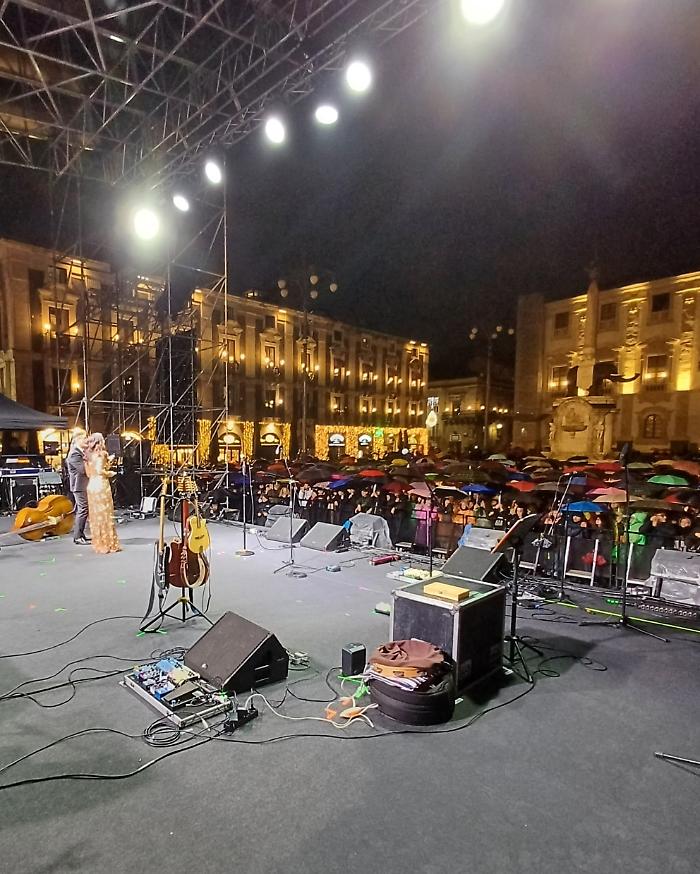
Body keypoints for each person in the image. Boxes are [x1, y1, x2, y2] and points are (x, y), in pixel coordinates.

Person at [83, 432, 121, 554]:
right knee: (105, 514)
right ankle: (109, 543)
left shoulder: (87, 456)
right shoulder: (102, 454)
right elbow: (100, 471)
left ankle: (99, 542)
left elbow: (89, 473)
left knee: (95, 516)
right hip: (101, 485)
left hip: (91, 485)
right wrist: (110, 473)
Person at [66, 428, 90, 545]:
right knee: (83, 509)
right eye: (84, 438)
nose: (86, 440)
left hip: (82, 485)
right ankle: (77, 537)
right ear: (78, 439)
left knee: (83, 509)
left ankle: (81, 534)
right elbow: (83, 469)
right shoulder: (74, 453)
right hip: (78, 486)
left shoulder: (80, 452)